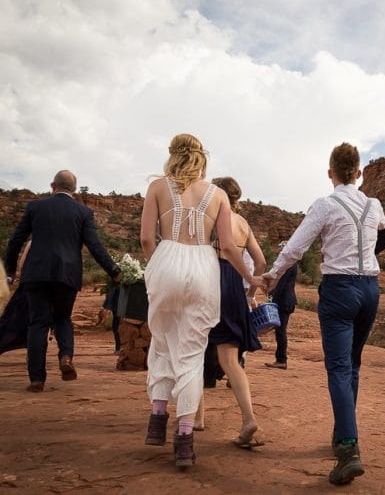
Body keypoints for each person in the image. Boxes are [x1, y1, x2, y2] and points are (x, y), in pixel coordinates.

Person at [263, 142, 385, 486]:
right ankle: (341, 434)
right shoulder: (374, 204)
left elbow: (295, 247)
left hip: (339, 289)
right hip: (370, 290)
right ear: (360, 172)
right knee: (352, 364)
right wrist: (368, 252)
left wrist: (272, 276)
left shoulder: (325, 204)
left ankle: (349, 449)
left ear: (330, 173)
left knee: (338, 366)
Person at [140, 134, 261, 468]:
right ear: (201, 158)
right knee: (193, 355)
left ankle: (157, 417)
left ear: (172, 156)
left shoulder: (157, 188)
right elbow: (227, 246)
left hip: (166, 262)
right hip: (204, 269)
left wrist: (159, 263)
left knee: (163, 343)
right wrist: (250, 279)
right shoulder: (218, 194)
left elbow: (147, 237)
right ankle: (184, 440)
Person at [3, 171, 121, 392]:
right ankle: (65, 356)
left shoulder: (35, 207)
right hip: (67, 275)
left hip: (36, 274)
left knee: (37, 323)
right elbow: (95, 246)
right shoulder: (83, 212)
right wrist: (114, 271)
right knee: (63, 318)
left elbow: (16, 240)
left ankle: (37, 379)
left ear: (52, 186)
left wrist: (10, 270)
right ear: (75, 190)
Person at [207, 176, 267, 448]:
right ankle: (248, 419)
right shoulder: (243, 223)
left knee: (194, 353)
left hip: (209, 277)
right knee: (231, 360)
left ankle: (195, 419)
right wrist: (251, 292)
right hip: (234, 285)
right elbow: (261, 261)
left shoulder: (210, 216)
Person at [264, 242, 297, 370]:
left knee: (280, 331)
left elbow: (281, 286)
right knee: (280, 330)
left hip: (284, 302)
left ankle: (281, 360)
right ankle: (280, 359)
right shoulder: (289, 265)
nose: (279, 251)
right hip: (286, 301)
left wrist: (270, 296)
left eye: (281, 249)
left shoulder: (288, 266)